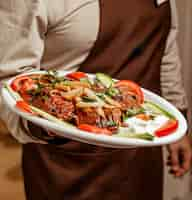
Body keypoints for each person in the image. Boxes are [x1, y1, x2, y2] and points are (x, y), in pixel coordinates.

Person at [0, 0, 191, 199]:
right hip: (68, 162)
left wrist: (176, 121)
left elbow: (164, 47)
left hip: (141, 153)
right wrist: (46, 124)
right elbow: (9, 78)